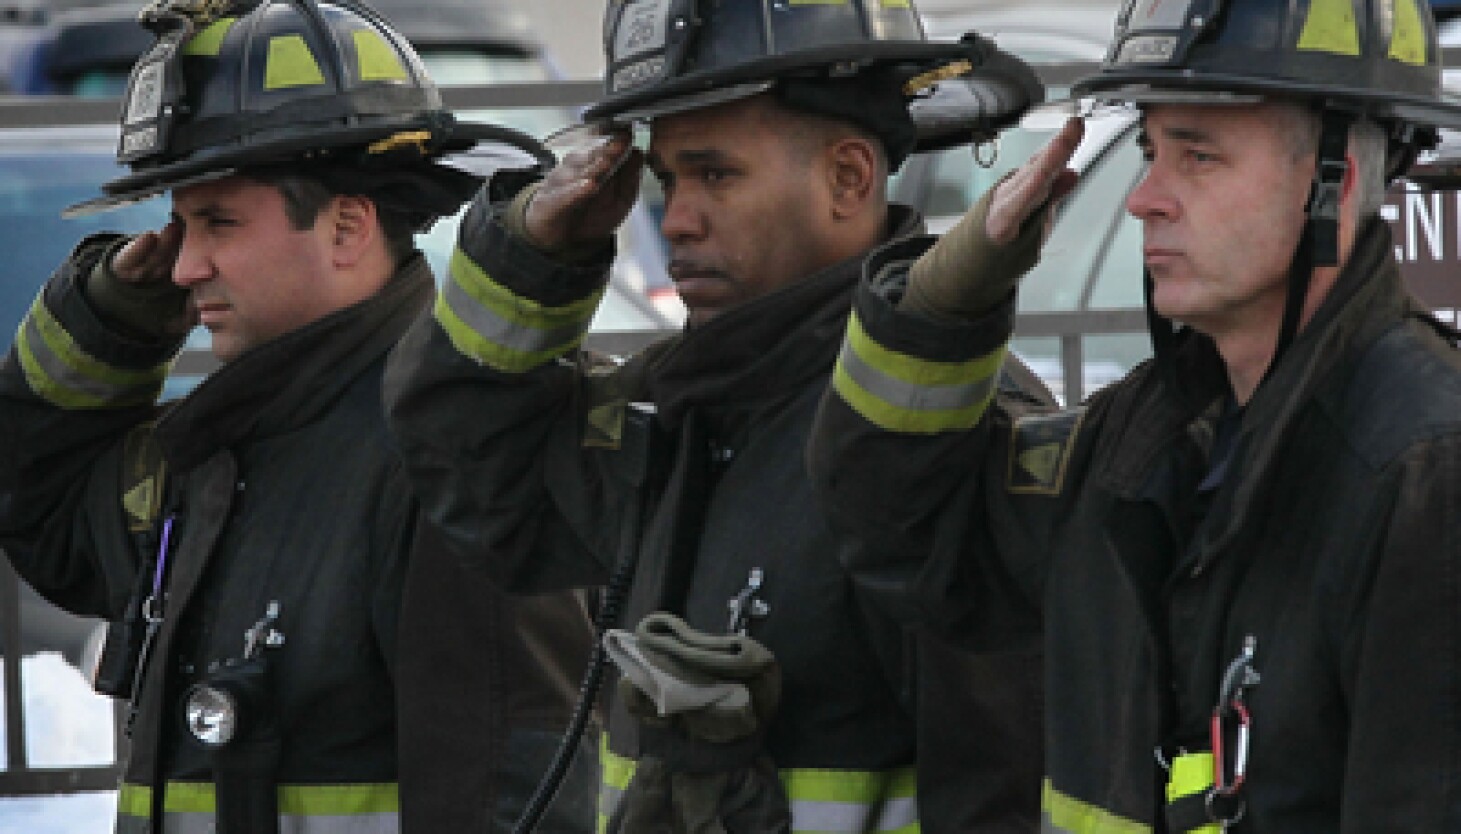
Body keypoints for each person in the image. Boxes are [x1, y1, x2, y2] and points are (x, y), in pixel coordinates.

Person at [384, 1, 1052, 831]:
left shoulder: (941, 435)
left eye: (715, 175)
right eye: (667, 181)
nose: (677, 221)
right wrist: (528, 257)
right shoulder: (678, 399)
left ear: (847, 178)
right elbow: (486, 492)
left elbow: (1004, 791)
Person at [807, 0, 1461, 830]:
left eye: (1198, 156)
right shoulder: (1141, 439)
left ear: (1337, 183)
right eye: (1151, 152)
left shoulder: (1423, 474)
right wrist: (947, 295)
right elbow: (899, 533)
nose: (1143, 199)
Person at [0, 0, 598, 832]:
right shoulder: (224, 441)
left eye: (217, 222)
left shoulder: (445, 466)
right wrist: (107, 317)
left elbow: (515, 800)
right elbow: (49, 516)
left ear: (346, 226)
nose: (184, 264)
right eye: (177, 224)